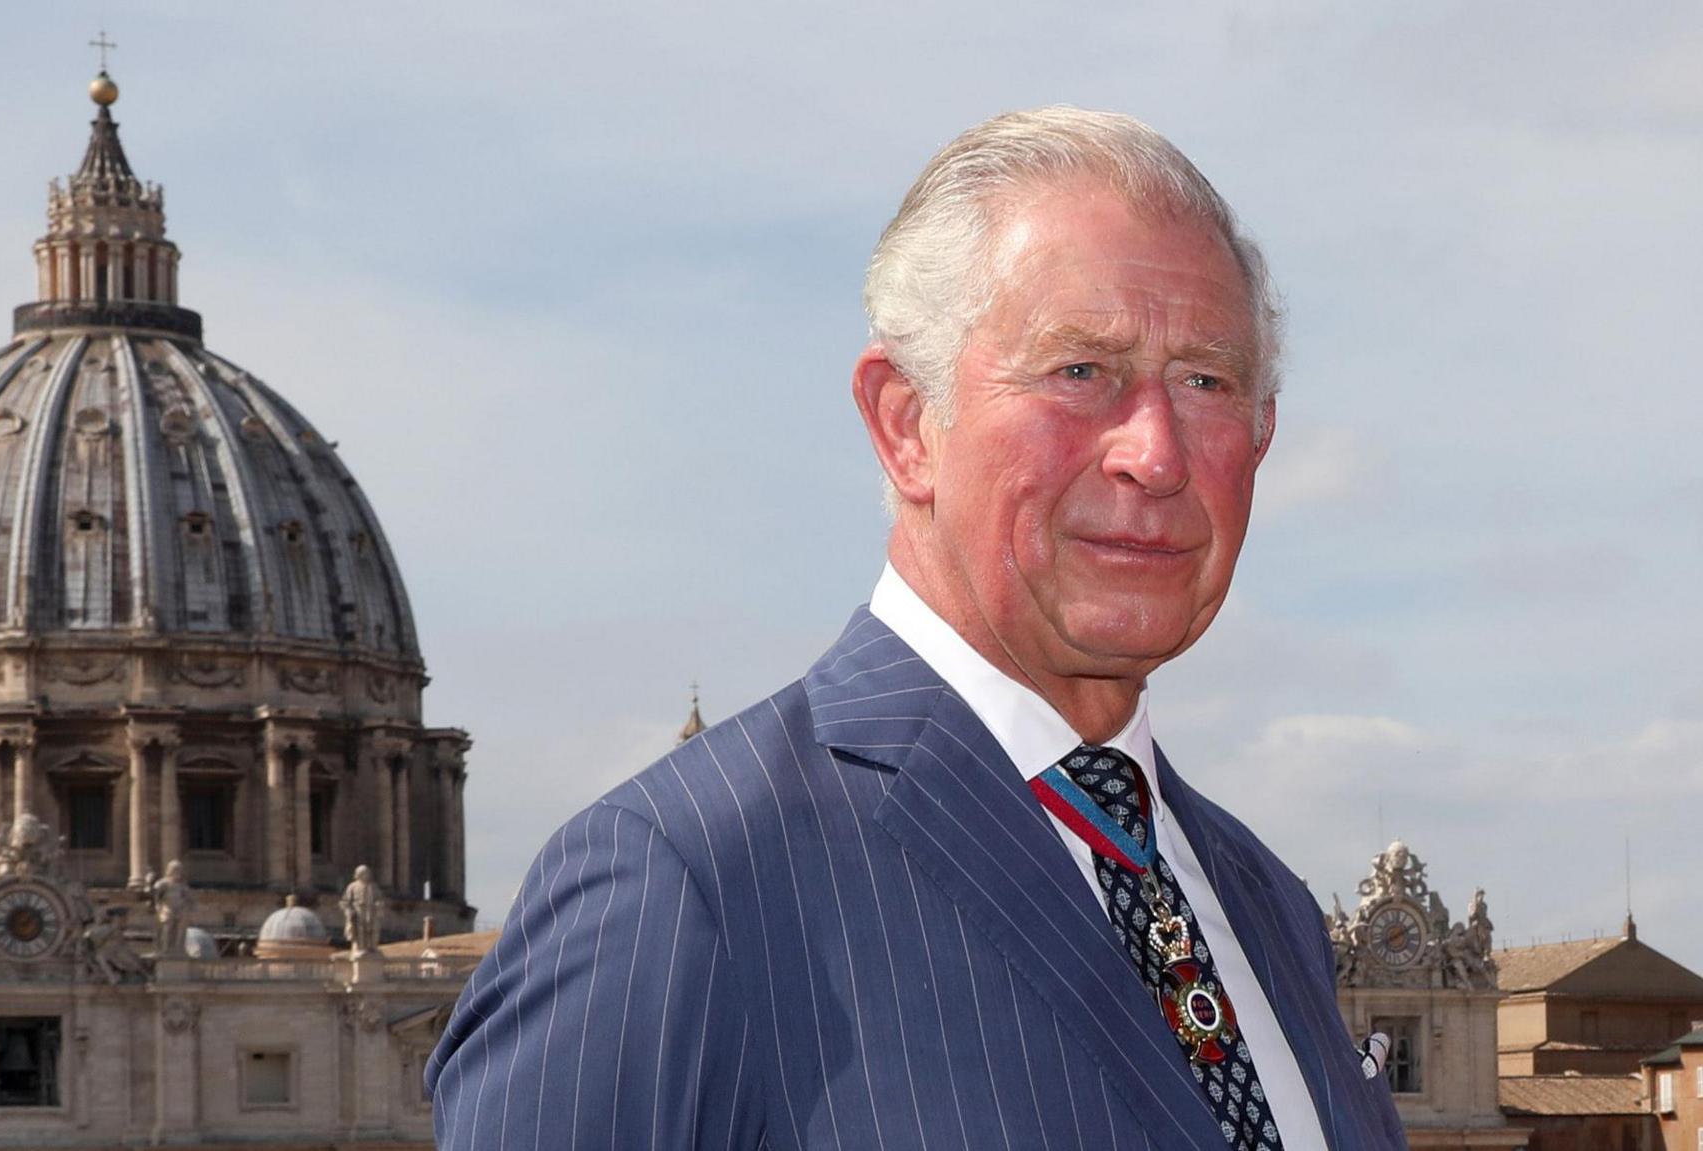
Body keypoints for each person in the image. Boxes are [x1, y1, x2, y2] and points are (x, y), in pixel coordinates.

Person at [428, 107, 1405, 1150]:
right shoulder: (680, 881)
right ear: (905, 424)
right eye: (1079, 370)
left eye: (1206, 380)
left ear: (1258, 437)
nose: (1154, 452)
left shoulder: (1269, 907)